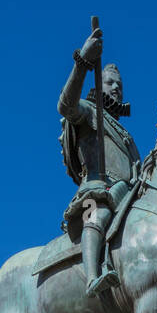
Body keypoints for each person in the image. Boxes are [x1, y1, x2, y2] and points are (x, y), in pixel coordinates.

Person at [58, 23, 141, 296]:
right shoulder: (87, 110)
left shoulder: (127, 136)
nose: (116, 88)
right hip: (98, 190)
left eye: (120, 85)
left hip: (128, 196)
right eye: (110, 83)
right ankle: (93, 277)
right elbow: (66, 105)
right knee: (99, 212)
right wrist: (83, 60)